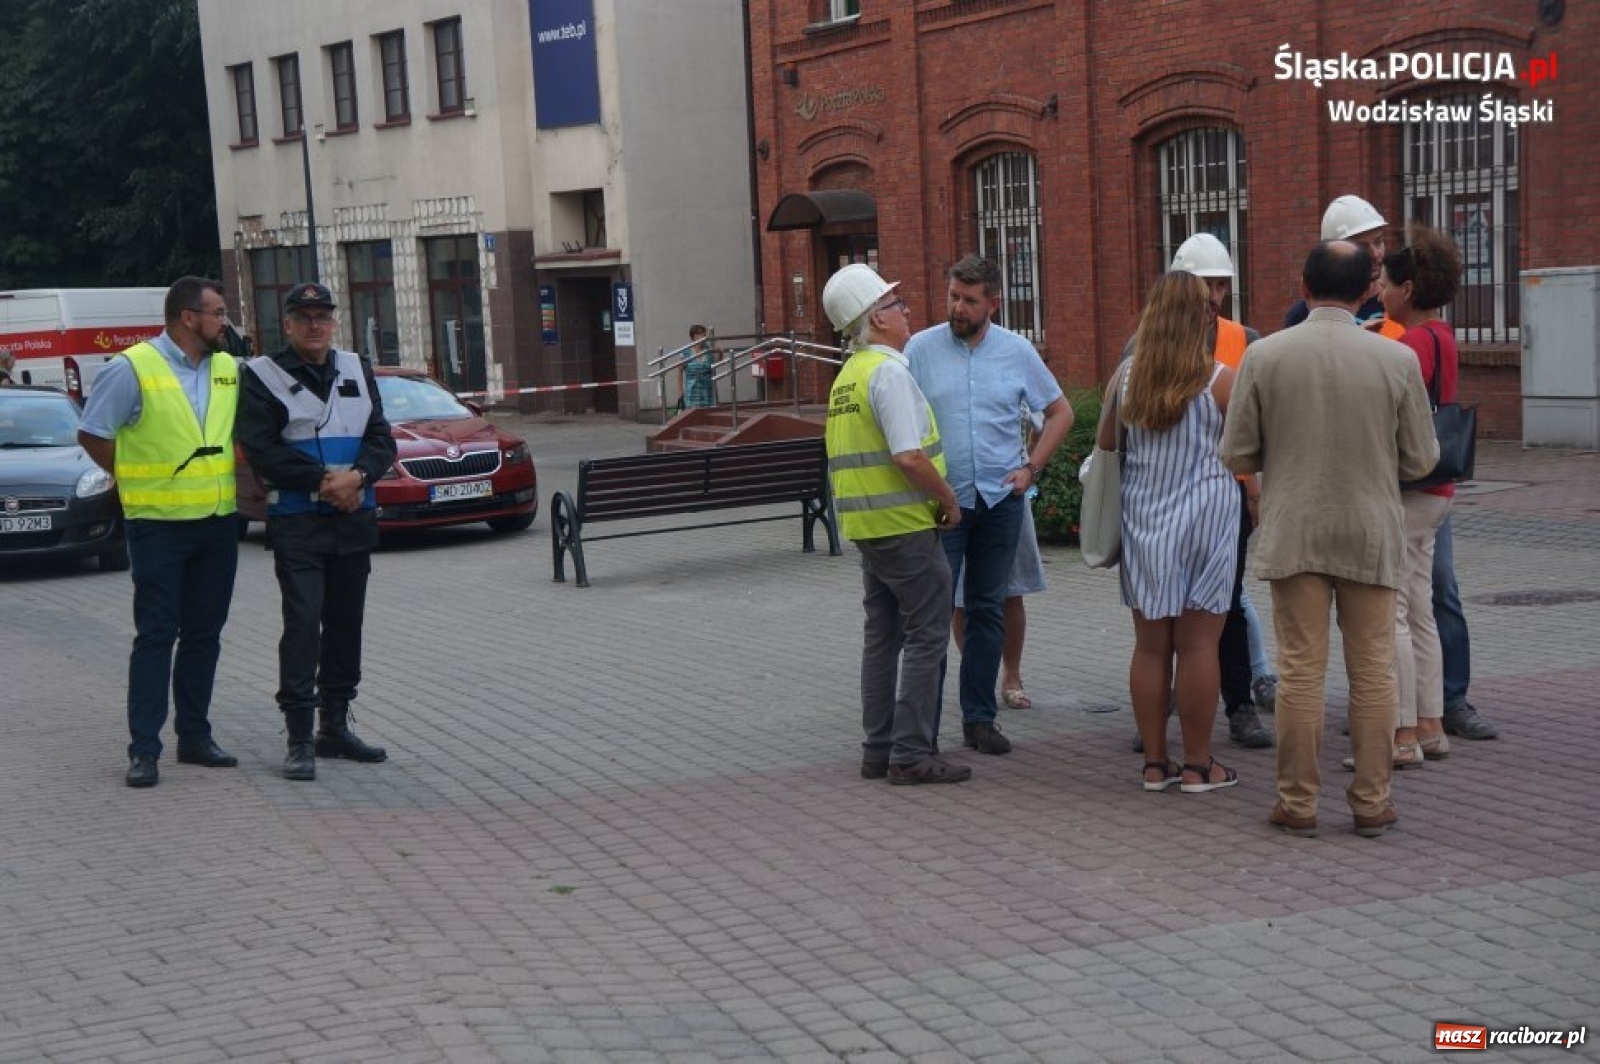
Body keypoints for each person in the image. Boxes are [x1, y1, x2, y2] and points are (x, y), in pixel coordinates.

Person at [1220, 241, 1439, 839]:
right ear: (1367, 290)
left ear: (1303, 284)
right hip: (1370, 527)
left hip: (1296, 526)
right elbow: (1422, 458)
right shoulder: (1394, 360)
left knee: (1298, 670)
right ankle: (1371, 801)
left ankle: (1298, 802)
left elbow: (1235, 451)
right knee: (1372, 671)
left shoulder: (1265, 356)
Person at [77, 276, 241, 788]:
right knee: (155, 637)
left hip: (216, 522)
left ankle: (194, 737)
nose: (225, 321)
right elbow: (93, 433)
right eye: (217, 312)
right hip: (158, 527)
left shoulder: (229, 369)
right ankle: (144, 750)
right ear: (188, 317)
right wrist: (133, 476)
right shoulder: (131, 367)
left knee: (203, 637)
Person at [906, 255, 1072, 756]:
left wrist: (1032, 469)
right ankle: (922, 728)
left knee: (987, 609)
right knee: (934, 615)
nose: (958, 307)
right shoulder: (920, 349)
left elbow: (1059, 412)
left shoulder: (1016, 350)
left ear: (993, 304)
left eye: (969, 300)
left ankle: (979, 719)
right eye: (954, 296)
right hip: (944, 502)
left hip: (1000, 500)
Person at [236, 282, 398, 782]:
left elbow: (381, 436)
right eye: (304, 316)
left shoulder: (355, 367)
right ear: (287, 324)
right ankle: (299, 738)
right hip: (300, 522)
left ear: (333, 321)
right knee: (304, 624)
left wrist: (361, 476)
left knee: (347, 624)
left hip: (353, 519)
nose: (314, 324)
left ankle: (335, 726)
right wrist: (327, 482)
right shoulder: (262, 376)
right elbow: (262, 449)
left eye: (322, 316)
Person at [821, 263, 968, 785]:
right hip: (907, 526)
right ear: (876, 320)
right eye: (895, 305)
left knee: (881, 638)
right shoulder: (888, 372)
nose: (906, 312)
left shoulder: (847, 377)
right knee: (928, 635)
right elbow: (909, 456)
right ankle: (910, 753)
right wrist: (948, 500)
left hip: (869, 529)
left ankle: (878, 749)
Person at [1098, 272, 1241, 793]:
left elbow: (1107, 444)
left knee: (1151, 647)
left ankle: (1155, 764)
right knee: (1201, 646)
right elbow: (1250, 450)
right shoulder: (1221, 381)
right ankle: (1200, 765)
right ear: (1199, 317)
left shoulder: (1125, 379)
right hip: (1208, 520)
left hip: (1144, 523)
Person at [1357, 225, 1470, 766]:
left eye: (1384, 282)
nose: (1379, 291)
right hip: (1440, 488)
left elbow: (1387, 411)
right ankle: (1430, 725)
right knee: (1421, 607)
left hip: (1408, 488)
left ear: (1408, 288)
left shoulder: (1412, 345)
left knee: (1394, 612)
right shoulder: (1443, 336)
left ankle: (1399, 735)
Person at [1169, 233, 1274, 749]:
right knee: (1165, 605)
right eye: (1208, 285)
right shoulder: (1149, 342)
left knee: (1225, 603)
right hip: (1167, 494)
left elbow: (1257, 423)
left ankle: (1239, 706)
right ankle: (1170, 707)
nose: (1216, 296)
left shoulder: (1245, 338)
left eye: (1222, 285)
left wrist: (1254, 491)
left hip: (1227, 494)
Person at [952, 404, 1047, 710]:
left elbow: (1046, 420)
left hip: (1006, 496)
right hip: (958, 498)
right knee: (961, 597)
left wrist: (1030, 466)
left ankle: (1012, 677)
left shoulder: (1012, 363)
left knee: (1010, 592)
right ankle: (977, 675)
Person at [1282, 195, 1405, 339]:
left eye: (1378, 242)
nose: (1375, 254)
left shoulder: (1400, 304)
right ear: (1333, 252)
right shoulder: (1302, 314)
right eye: (1362, 247)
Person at [680, 325, 717, 409]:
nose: (704, 337)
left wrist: (719, 351)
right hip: (692, 391)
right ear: (694, 337)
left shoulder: (707, 349)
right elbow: (679, 372)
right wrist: (680, 393)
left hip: (707, 391)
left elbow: (716, 361)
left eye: (704, 335)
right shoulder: (686, 352)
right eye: (701, 335)